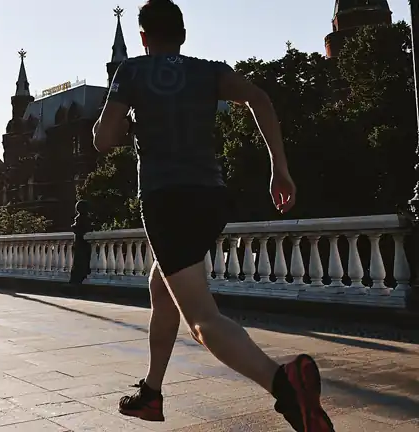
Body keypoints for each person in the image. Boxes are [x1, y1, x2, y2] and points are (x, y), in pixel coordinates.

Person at [91, 1, 334, 431]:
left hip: (167, 200)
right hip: (211, 198)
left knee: (202, 320)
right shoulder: (208, 70)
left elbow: (103, 140)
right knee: (162, 286)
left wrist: (129, 122)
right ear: (182, 35)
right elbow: (259, 98)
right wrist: (280, 167)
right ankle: (151, 393)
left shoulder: (131, 71)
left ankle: (285, 384)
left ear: (144, 37)